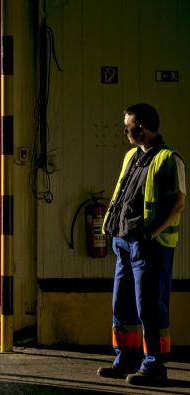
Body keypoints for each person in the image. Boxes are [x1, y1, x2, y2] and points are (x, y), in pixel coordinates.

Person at [99, 103, 185, 385]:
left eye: (128, 127)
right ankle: (126, 360)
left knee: (149, 308)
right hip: (124, 243)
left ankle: (155, 367)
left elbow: (179, 203)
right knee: (122, 305)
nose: (125, 132)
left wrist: (152, 233)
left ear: (143, 128)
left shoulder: (169, 159)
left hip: (149, 246)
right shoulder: (131, 157)